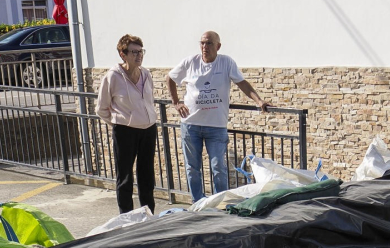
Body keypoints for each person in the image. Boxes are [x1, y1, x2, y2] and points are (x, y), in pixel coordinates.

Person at [166, 31, 272, 202]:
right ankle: (198, 202)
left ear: (218, 46)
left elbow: (242, 83)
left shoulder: (226, 62)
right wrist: (176, 102)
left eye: (208, 43)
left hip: (216, 126)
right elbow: (170, 78)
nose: (204, 47)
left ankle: (220, 203)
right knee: (192, 168)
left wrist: (259, 101)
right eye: (202, 43)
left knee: (218, 167)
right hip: (191, 125)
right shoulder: (190, 62)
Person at [96, 34, 157, 214]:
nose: (139, 56)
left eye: (141, 51)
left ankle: (148, 214)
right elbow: (101, 108)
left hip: (148, 129)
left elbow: (149, 100)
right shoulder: (113, 76)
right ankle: (127, 217)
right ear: (123, 54)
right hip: (125, 131)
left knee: (147, 175)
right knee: (125, 177)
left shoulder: (146, 74)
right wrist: (119, 122)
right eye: (134, 52)